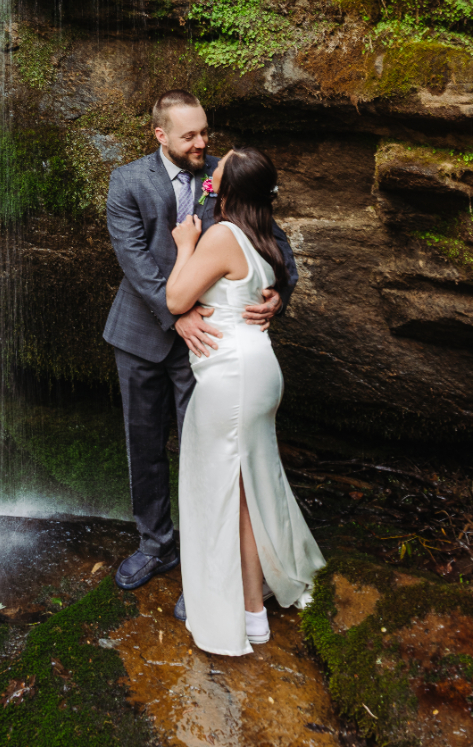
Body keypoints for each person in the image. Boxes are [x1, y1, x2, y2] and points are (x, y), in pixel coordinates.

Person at [103, 90, 298, 593]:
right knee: (143, 446)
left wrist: (278, 292)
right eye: (189, 135)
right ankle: (155, 545)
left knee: (211, 455)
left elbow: (274, 242)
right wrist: (178, 317)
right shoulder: (127, 181)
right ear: (160, 134)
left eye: (204, 132)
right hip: (142, 336)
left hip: (210, 349)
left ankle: (207, 567)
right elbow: (136, 262)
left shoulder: (227, 175)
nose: (201, 143)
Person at [167, 146, 325, 653]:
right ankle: (254, 606)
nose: (209, 174)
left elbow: (176, 299)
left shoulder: (219, 235)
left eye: (216, 175)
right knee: (248, 492)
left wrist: (185, 244)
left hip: (230, 377)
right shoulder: (264, 239)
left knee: (221, 494)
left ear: (228, 192)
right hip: (259, 370)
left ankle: (246, 613)